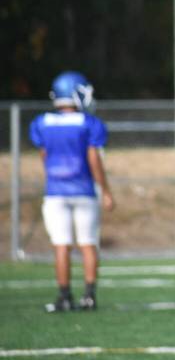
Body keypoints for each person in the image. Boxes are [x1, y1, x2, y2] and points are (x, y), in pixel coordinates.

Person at [29, 71, 115, 313]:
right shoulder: (89, 124)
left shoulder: (42, 123)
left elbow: (44, 156)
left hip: (55, 190)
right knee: (88, 244)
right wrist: (106, 190)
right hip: (84, 189)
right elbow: (93, 159)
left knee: (61, 245)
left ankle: (64, 296)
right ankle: (89, 296)